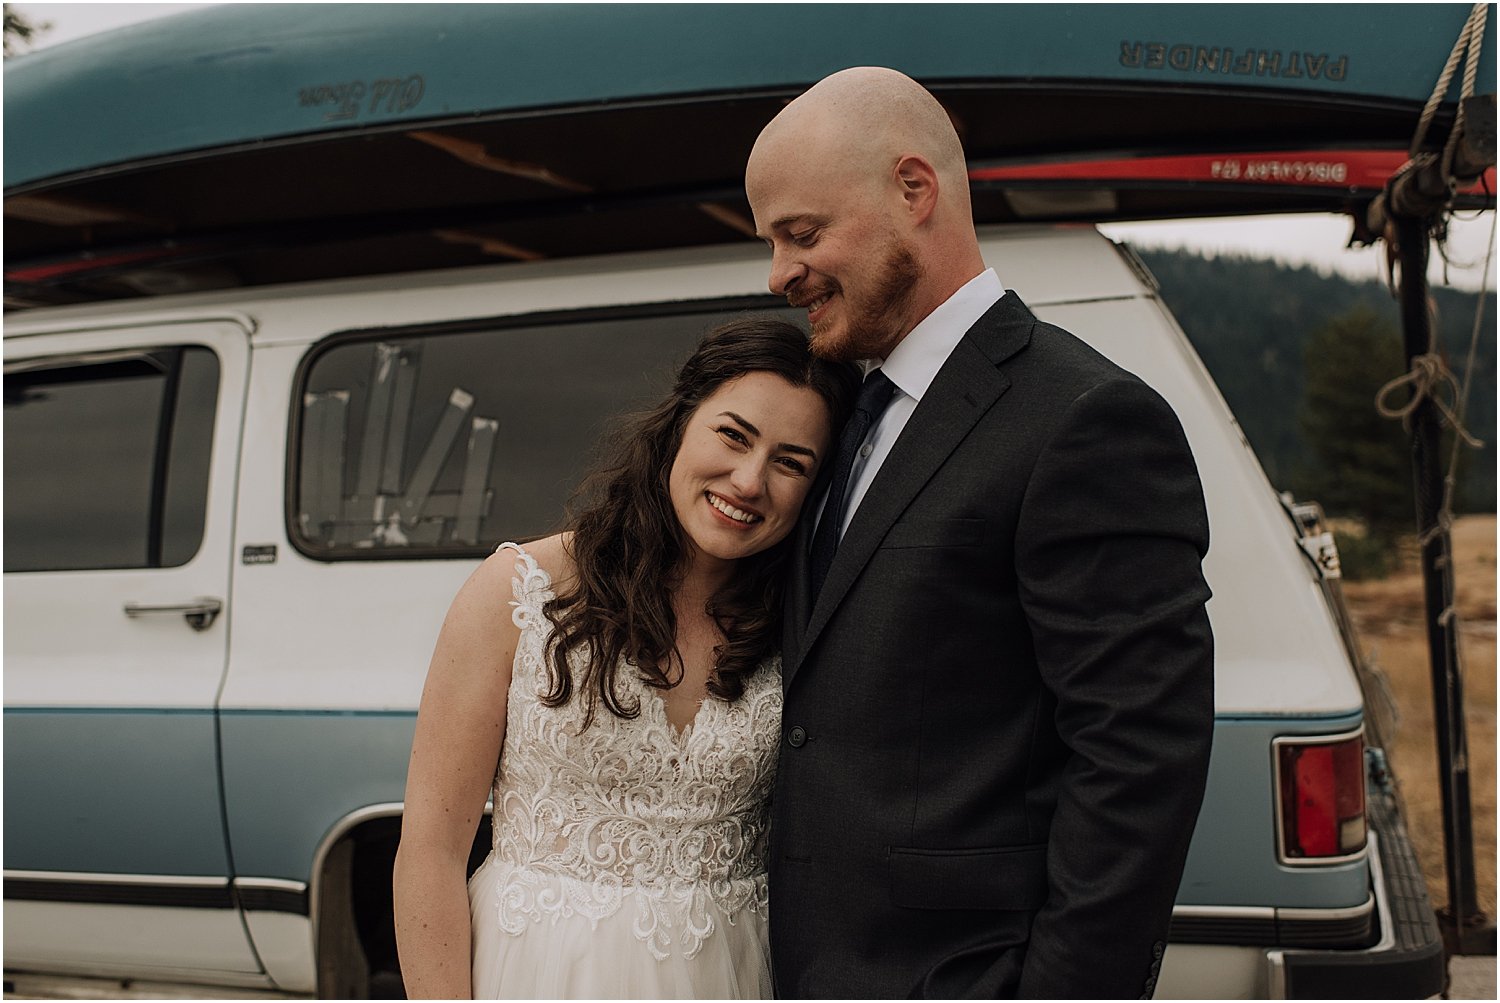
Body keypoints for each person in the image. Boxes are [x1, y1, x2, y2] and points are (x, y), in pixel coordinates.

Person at [744, 67, 1216, 999]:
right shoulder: (837, 405)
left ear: (914, 191)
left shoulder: (1085, 418)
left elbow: (1137, 757)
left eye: (802, 233)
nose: (778, 273)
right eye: (773, 242)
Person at [392, 317, 858, 999]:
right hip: (539, 973)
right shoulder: (518, 592)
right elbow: (430, 850)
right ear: (679, 423)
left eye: (791, 462)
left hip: (729, 974)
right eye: (733, 434)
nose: (750, 479)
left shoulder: (804, 623)